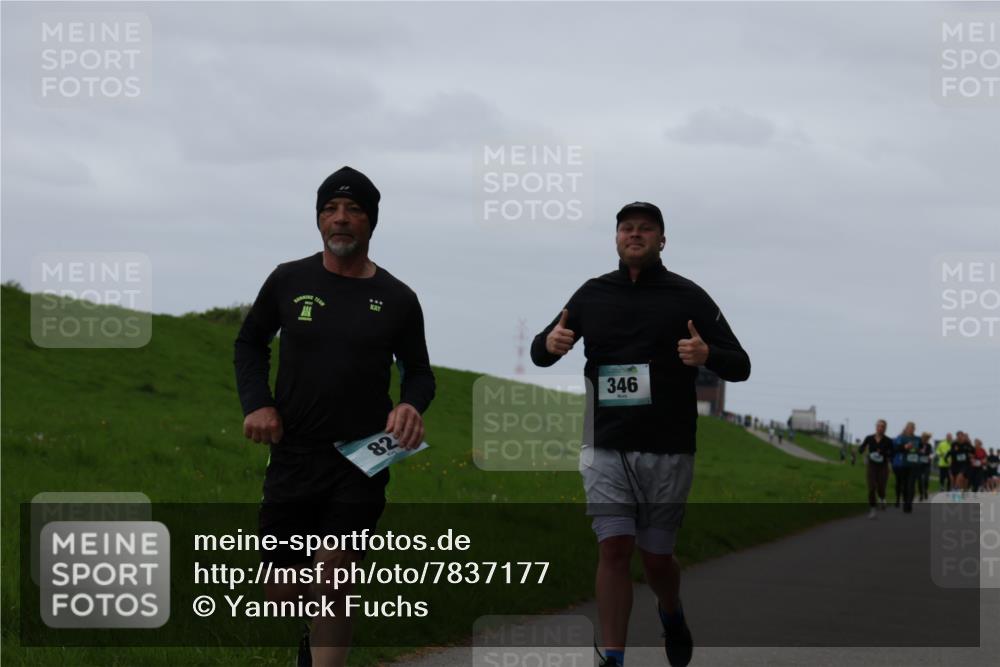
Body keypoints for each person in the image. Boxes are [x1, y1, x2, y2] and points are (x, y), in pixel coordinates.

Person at [531, 201, 751, 667]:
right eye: (626, 228)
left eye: (646, 229)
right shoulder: (592, 293)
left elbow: (741, 364)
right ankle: (613, 656)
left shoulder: (687, 296)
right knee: (613, 547)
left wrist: (707, 354)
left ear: (661, 240)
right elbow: (541, 350)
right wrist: (549, 344)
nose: (635, 235)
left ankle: (671, 610)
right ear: (616, 238)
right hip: (604, 443)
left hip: (667, 446)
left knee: (655, 559)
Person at [233, 166, 436, 667]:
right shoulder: (288, 279)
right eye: (330, 209)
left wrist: (409, 404)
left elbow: (419, 371)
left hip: (361, 456)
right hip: (294, 452)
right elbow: (250, 343)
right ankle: (311, 634)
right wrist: (257, 402)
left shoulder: (398, 298)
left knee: (333, 576)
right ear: (319, 219)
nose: (340, 218)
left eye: (353, 210)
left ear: (371, 221)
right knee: (281, 590)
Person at [858, 420, 892, 518]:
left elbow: (892, 453)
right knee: (872, 487)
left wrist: (884, 453)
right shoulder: (869, 438)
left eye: (882, 427)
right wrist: (862, 449)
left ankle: (882, 498)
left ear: (885, 429)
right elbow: (861, 448)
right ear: (876, 427)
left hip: (883, 466)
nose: (880, 428)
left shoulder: (888, 441)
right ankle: (872, 509)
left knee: (881, 487)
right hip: (872, 465)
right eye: (879, 426)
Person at [892, 422, 920, 514]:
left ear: (914, 429)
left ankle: (909, 503)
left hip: (914, 465)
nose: (911, 429)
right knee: (905, 486)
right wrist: (905, 447)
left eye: (913, 428)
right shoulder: (902, 438)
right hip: (904, 465)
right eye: (909, 428)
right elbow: (896, 449)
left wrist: (922, 451)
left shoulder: (917, 439)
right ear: (906, 428)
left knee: (911, 485)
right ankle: (905, 503)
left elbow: (921, 449)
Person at [917, 432, 933, 501]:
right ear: (922, 438)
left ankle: (926, 490)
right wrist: (919, 452)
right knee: (920, 480)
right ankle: (921, 494)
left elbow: (931, 453)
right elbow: (915, 452)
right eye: (924, 438)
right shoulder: (918, 444)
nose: (926, 439)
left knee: (926, 479)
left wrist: (930, 457)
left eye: (927, 438)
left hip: (927, 464)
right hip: (919, 464)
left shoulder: (929, 445)